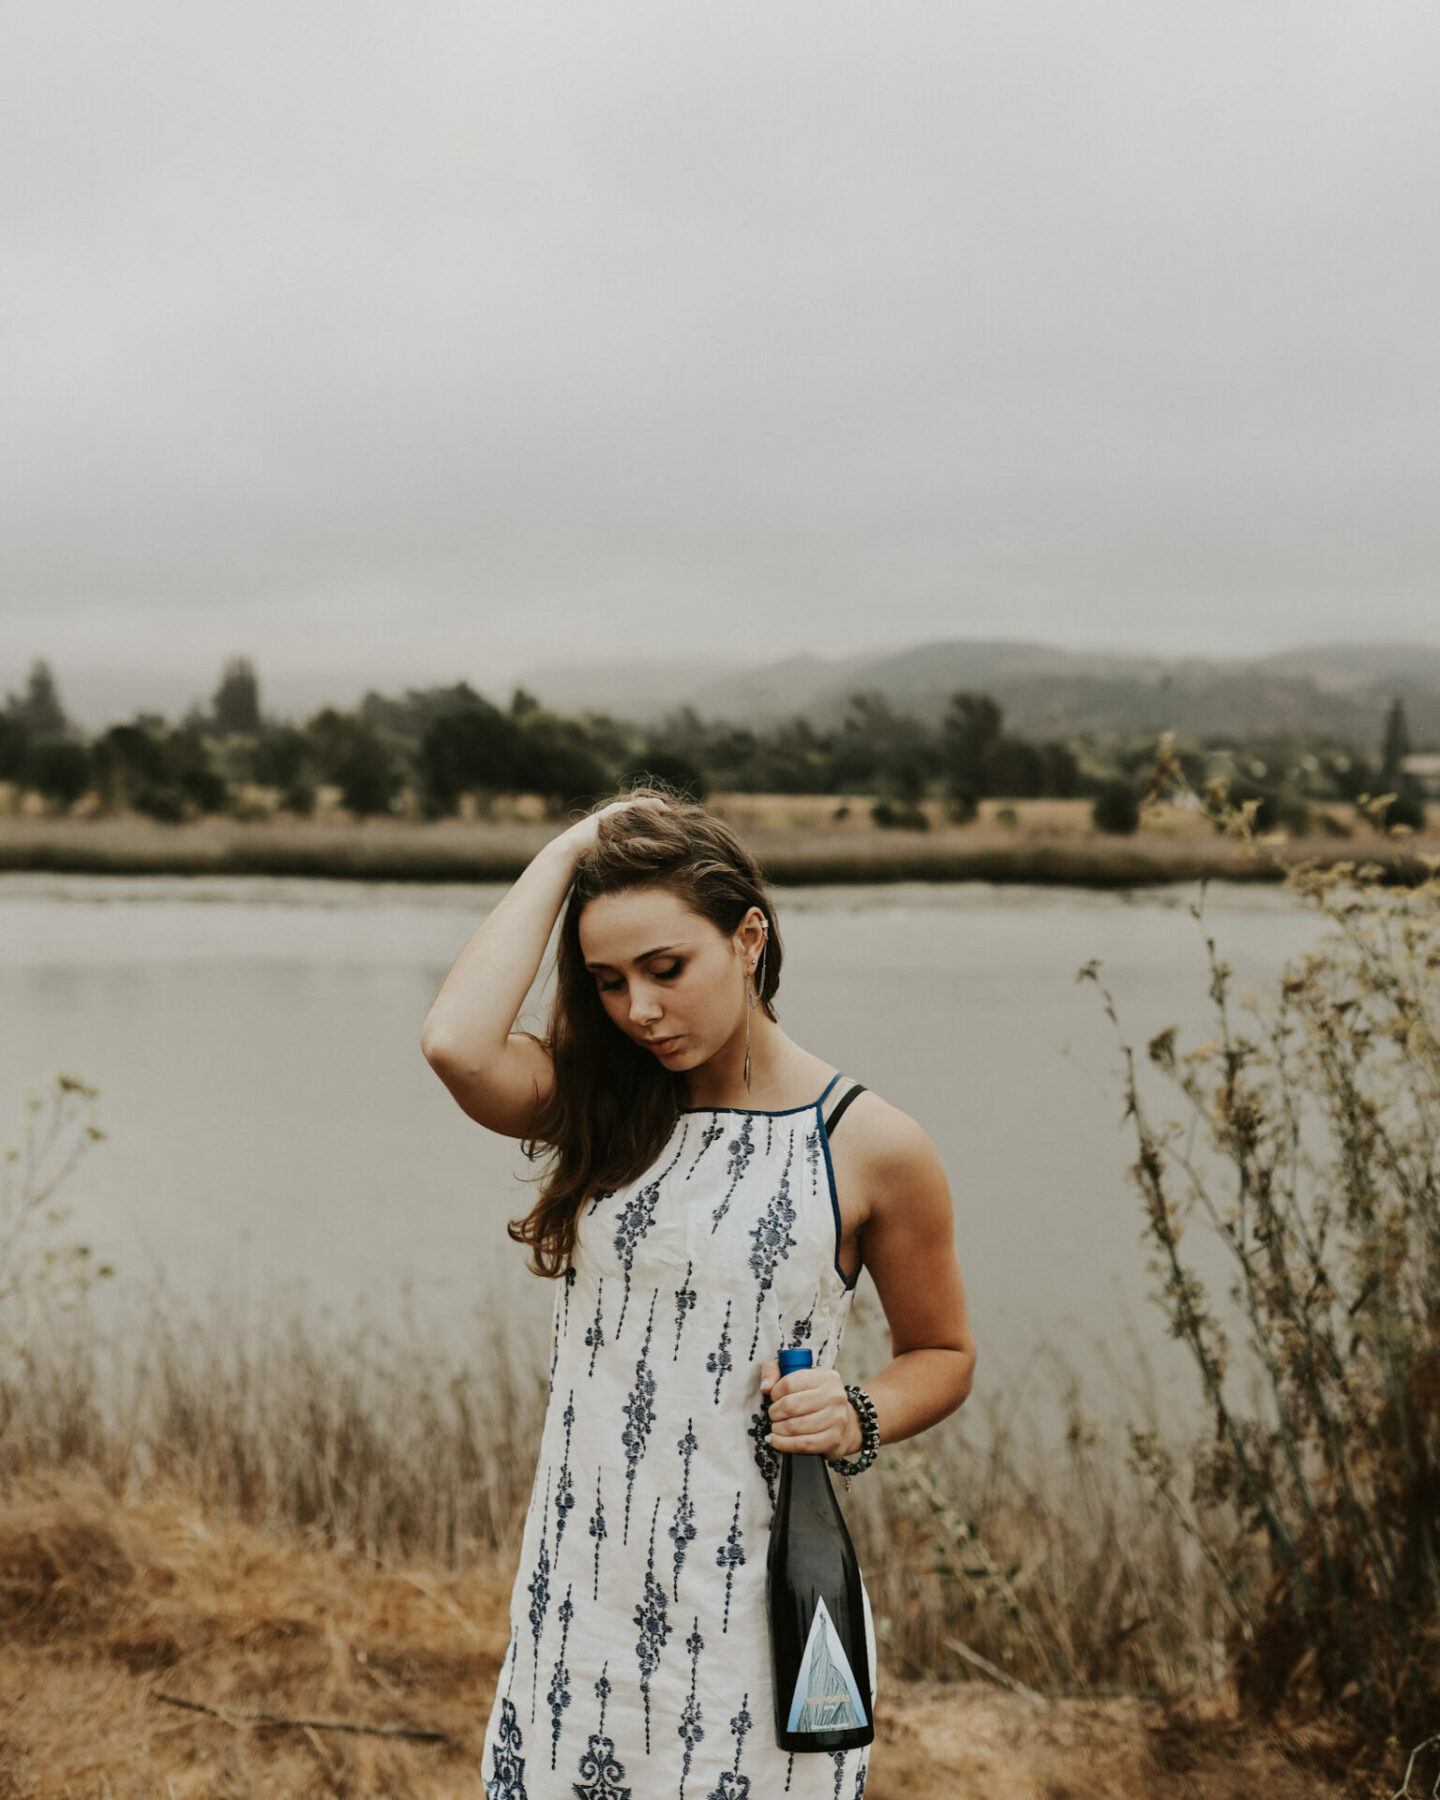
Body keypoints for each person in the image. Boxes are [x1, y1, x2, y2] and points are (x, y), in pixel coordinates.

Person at [421, 789, 976, 1798]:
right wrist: (576, 844)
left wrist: (857, 1414)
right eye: (607, 982)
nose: (639, 1009)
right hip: (580, 1594)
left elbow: (944, 1354)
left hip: (751, 1608)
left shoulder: (870, 1144)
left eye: (666, 969)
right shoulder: (601, 1102)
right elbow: (456, 1044)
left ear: (748, 937)